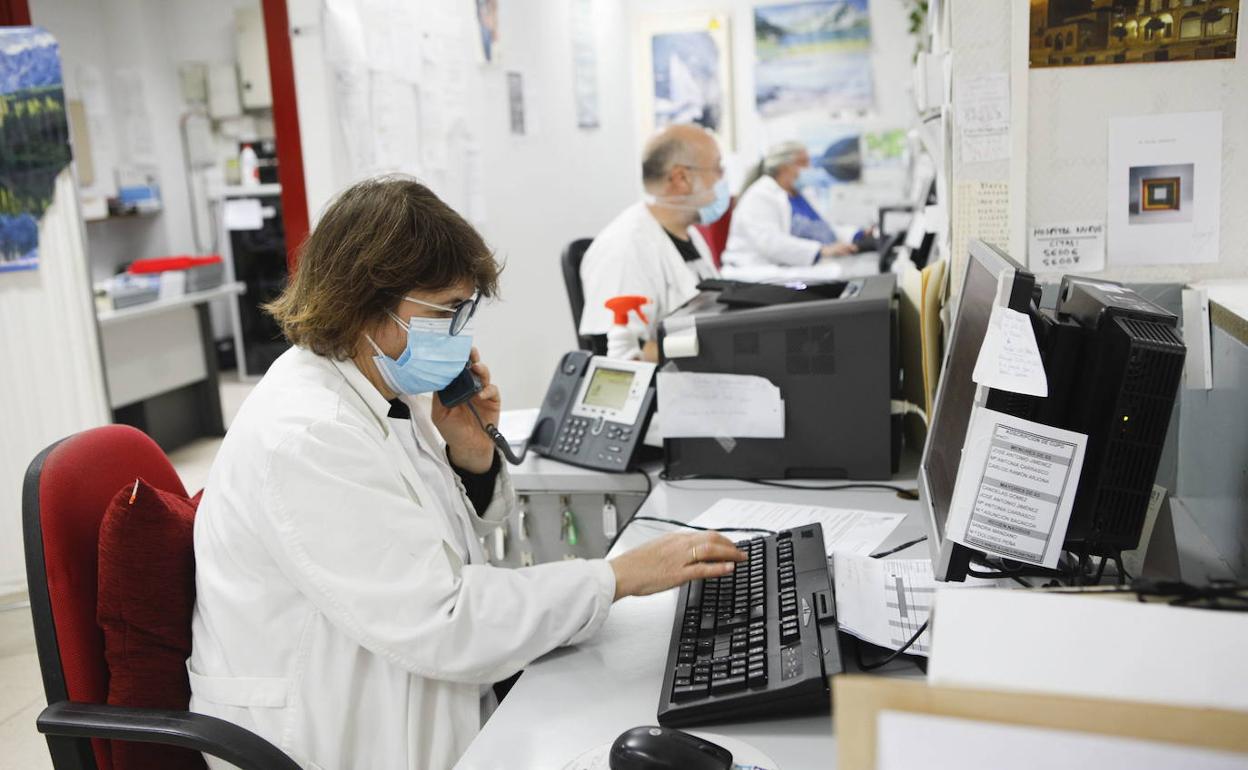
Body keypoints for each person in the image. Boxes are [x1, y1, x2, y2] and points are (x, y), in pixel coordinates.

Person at [188, 176, 745, 770]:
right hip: (321, 734)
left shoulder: (381, 392)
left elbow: (439, 556)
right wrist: (618, 577)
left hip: (404, 676)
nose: (460, 332)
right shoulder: (307, 434)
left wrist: (471, 459)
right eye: (447, 311)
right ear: (364, 302)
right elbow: (443, 619)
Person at [578, 124, 726, 361]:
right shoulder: (626, 246)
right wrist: (717, 356)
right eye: (718, 169)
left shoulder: (689, 234)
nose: (722, 179)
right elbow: (619, 349)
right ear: (681, 178)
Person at [721, 140, 858, 271]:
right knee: (838, 275)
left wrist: (857, 235)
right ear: (784, 167)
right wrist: (820, 250)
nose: (810, 167)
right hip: (757, 268)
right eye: (803, 162)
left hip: (798, 266)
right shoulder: (760, 196)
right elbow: (771, 243)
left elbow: (822, 228)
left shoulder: (803, 194)